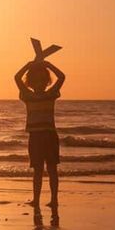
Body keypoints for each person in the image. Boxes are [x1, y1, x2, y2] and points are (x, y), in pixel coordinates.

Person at [15, 56, 65, 208]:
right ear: (30, 82)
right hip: (35, 136)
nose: (39, 83)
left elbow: (62, 77)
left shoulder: (51, 94)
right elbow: (17, 78)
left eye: (42, 80)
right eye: (35, 80)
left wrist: (48, 65)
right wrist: (28, 65)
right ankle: (36, 199)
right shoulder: (27, 96)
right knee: (37, 170)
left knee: (52, 169)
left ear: (46, 81)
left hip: (49, 135)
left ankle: (54, 199)